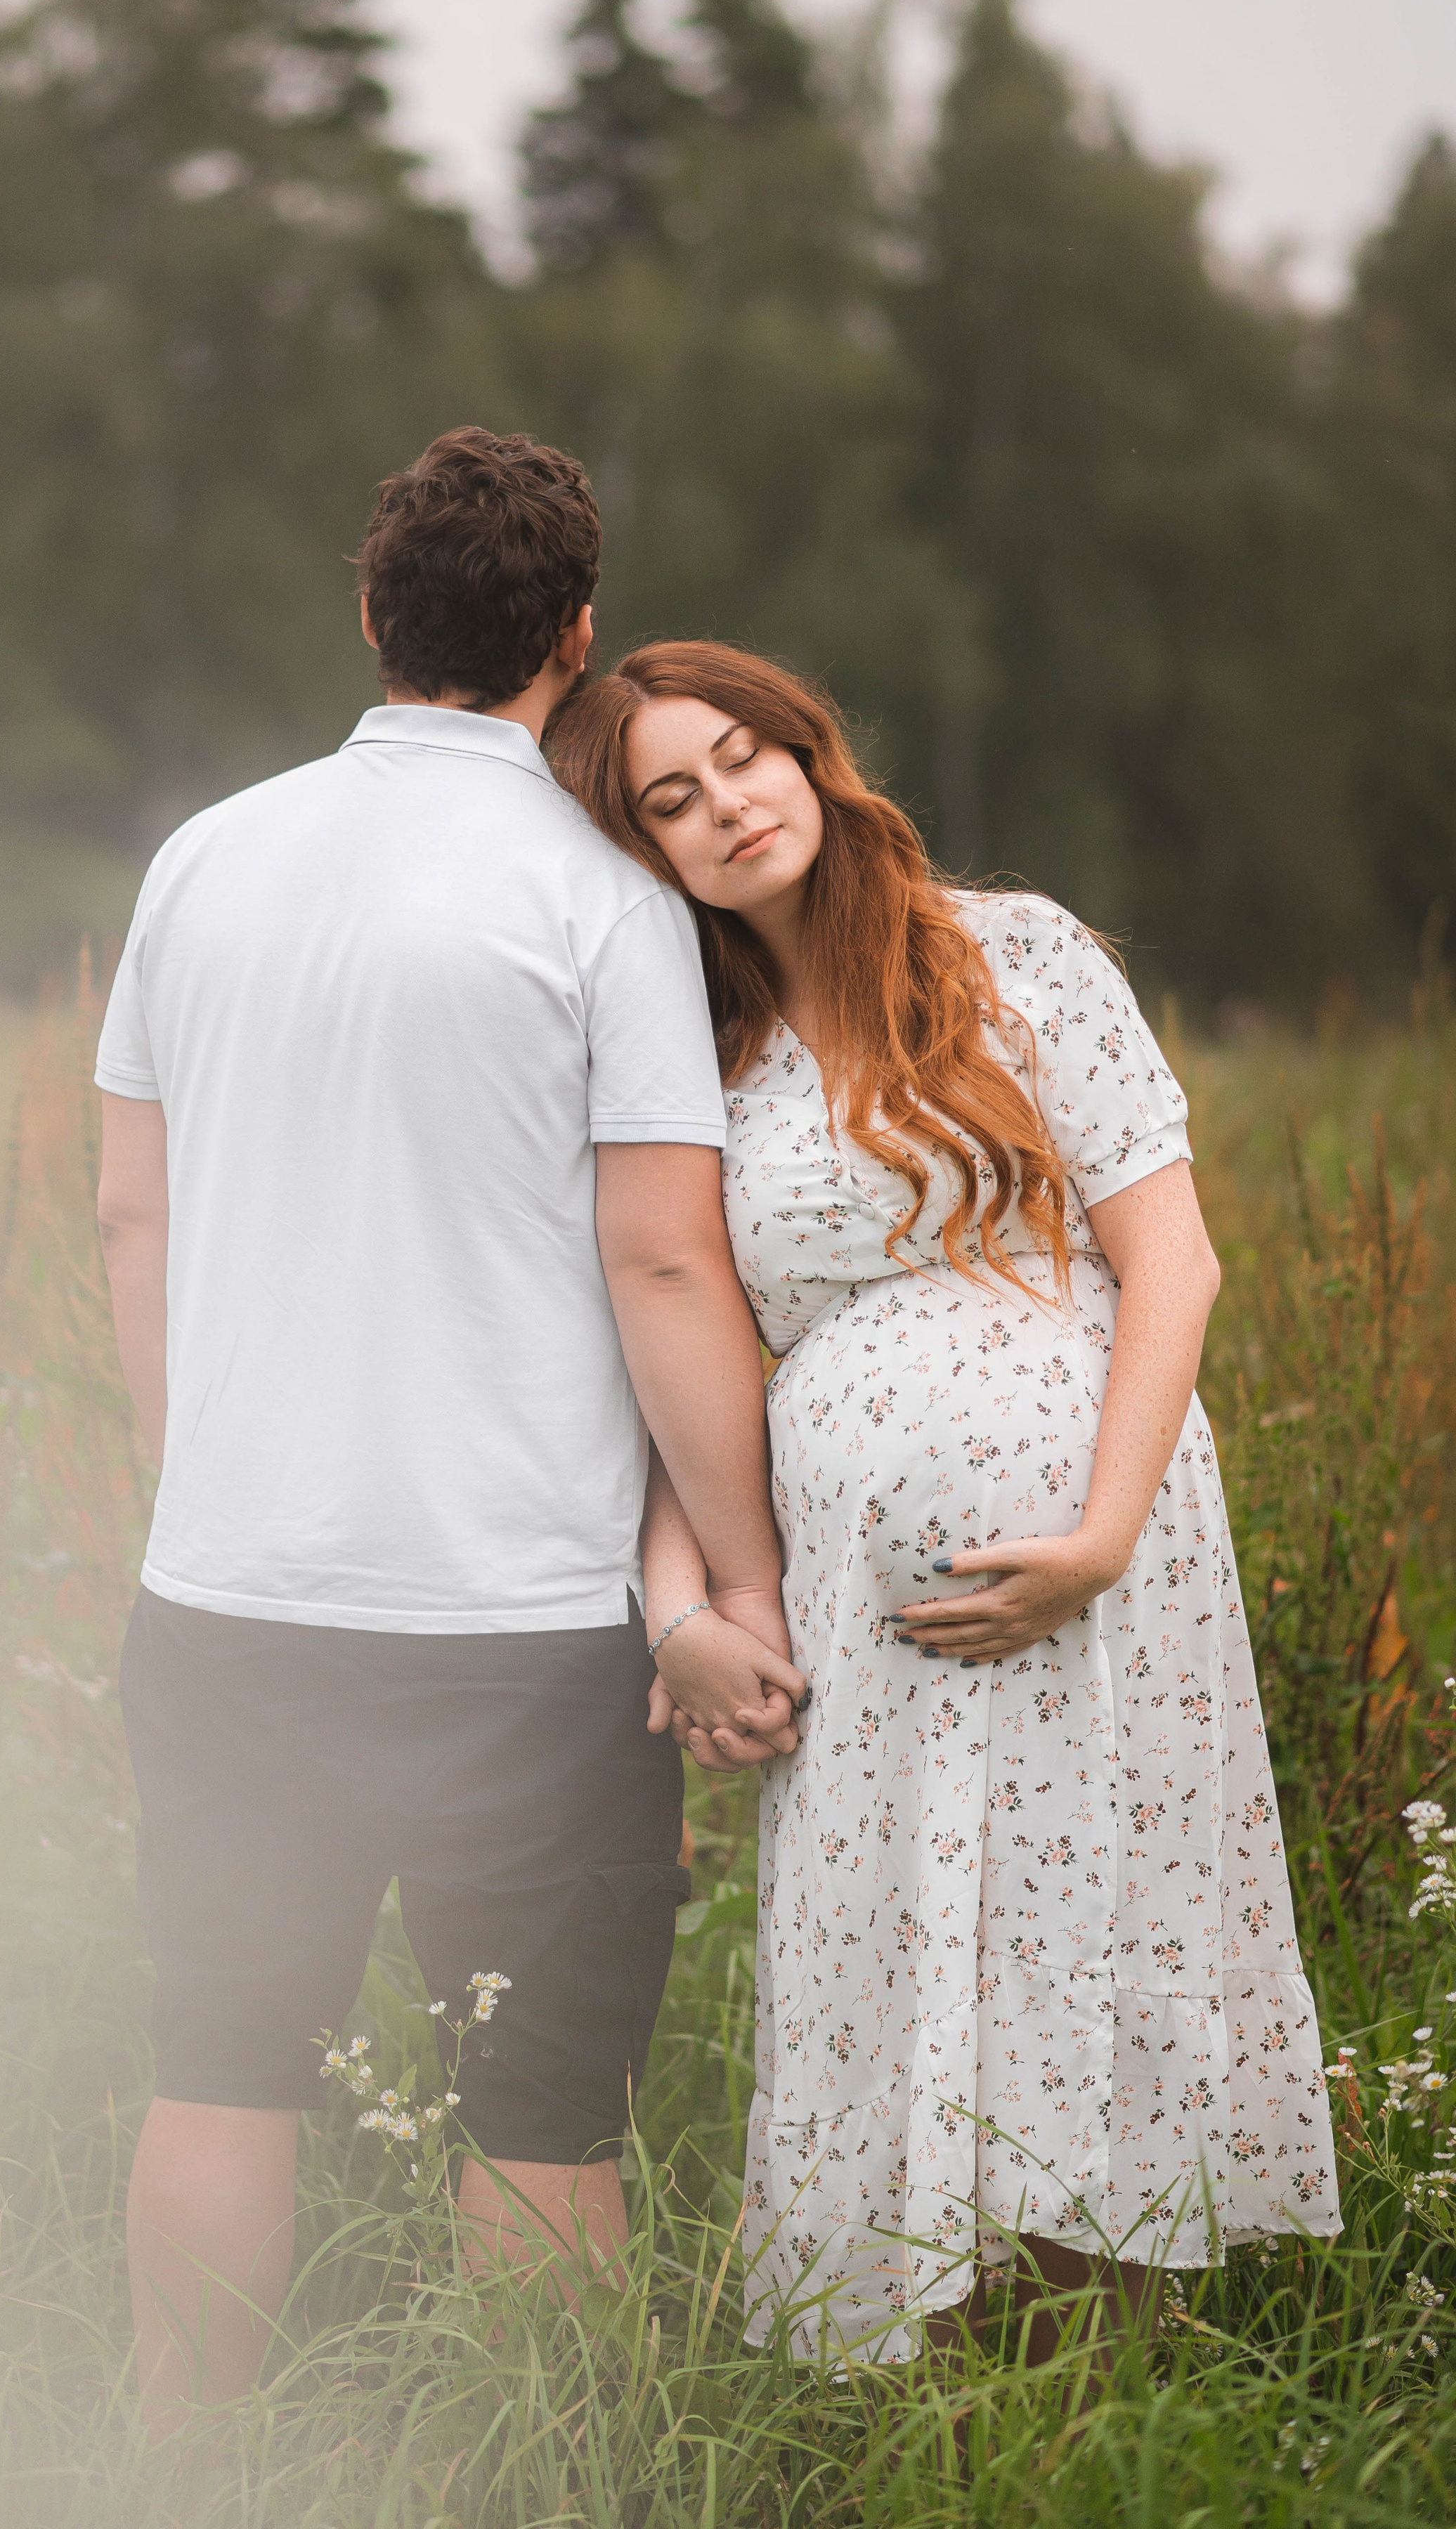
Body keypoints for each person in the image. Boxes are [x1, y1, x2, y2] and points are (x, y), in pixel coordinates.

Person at [92, 431, 805, 2427]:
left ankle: (177, 2465)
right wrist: (742, 1581)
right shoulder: (604, 895)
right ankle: (532, 2482)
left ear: (371, 615)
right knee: (547, 2121)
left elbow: (130, 1211)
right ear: (573, 642)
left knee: (221, 2070)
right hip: (532, 1625)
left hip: (233, 1596)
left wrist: (197, 1485)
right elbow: (667, 1266)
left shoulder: (202, 859)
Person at [546, 640, 1341, 2364]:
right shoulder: (696, 1057)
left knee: (1088, 1928)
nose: (724, 808)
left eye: (740, 757)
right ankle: (936, 2397)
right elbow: (678, 1354)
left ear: (810, 755)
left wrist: (1099, 1537)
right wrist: (677, 1605)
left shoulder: (1013, 954)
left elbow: (1170, 1262)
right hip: (860, 1615)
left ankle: (1104, 2398)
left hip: (1109, 1566)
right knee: (906, 1943)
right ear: (647, 854)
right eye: (668, 801)